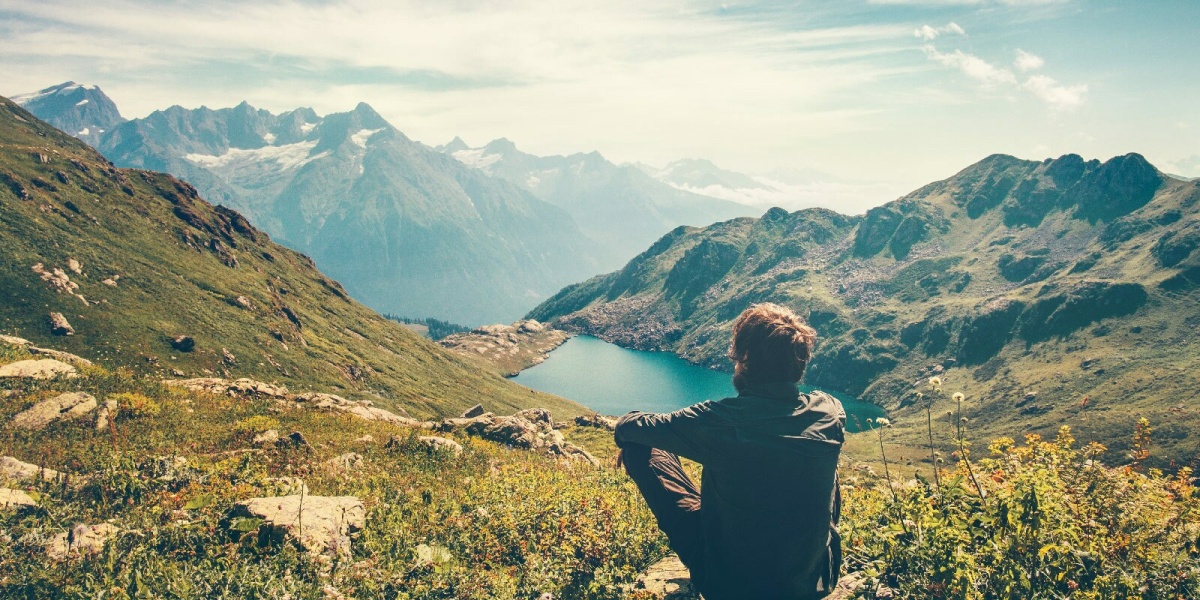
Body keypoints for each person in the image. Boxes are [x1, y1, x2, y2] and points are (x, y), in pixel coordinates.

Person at [614, 303, 845, 600]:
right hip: (813, 583)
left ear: (745, 360)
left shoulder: (721, 421)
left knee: (638, 447)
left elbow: (628, 427)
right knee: (823, 457)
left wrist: (635, 440)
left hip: (729, 586)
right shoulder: (830, 412)